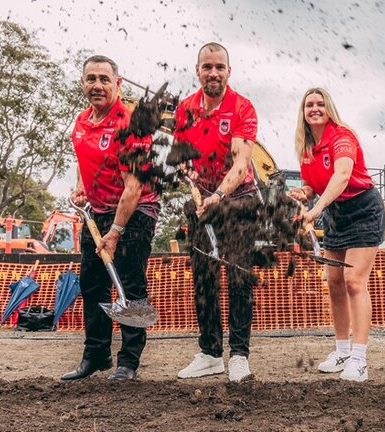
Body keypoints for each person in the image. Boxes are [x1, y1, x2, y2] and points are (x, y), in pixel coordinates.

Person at [61, 55, 158, 382]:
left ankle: (128, 362)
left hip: (136, 210)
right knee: (92, 283)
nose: (97, 85)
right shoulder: (80, 122)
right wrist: (80, 187)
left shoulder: (131, 124)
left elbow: (134, 185)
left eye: (104, 79)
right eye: (91, 79)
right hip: (96, 212)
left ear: (118, 84)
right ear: (83, 83)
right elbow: (83, 161)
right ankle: (96, 355)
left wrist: (116, 232)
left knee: (129, 286)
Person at [174, 42, 259, 383]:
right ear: (197, 70)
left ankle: (238, 355)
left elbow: (241, 163)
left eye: (219, 67)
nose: (213, 73)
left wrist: (220, 194)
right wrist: (186, 172)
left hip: (238, 200)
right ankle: (210, 353)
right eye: (207, 67)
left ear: (228, 71)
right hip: (201, 202)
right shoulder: (185, 109)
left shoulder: (242, 107)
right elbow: (182, 154)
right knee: (204, 279)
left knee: (239, 279)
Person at [288, 88, 385, 383]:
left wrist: (315, 209)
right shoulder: (306, 146)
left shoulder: (342, 136)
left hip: (362, 209)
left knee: (354, 281)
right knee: (333, 282)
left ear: (328, 108)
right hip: (335, 214)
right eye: (309, 105)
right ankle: (342, 350)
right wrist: (301, 193)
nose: (315, 108)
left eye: (320, 104)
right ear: (303, 112)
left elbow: (342, 176)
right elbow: (310, 183)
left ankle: (359, 358)